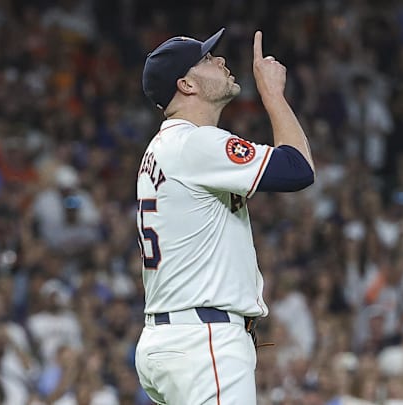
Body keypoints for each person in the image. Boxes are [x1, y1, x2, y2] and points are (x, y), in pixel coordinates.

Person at [133, 27, 315, 405]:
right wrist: (272, 95)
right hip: (204, 340)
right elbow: (298, 169)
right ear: (186, 85)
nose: (219, 60)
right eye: (205, 58)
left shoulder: (163, 148)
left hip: (171, 339)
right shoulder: (194, 143)